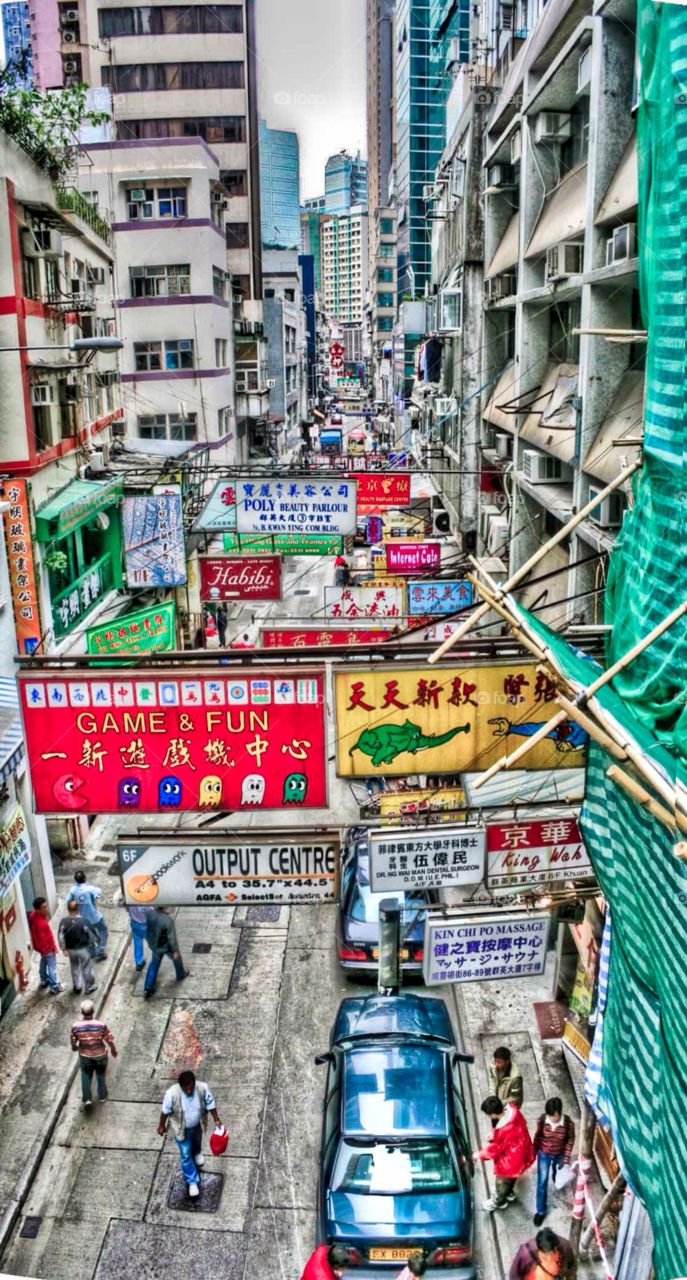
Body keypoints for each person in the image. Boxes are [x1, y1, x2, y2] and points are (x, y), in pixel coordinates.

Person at [158, 1069, 221, 1199]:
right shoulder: (172, 1093)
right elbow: (165, 1111)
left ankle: (197, 1153)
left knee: (197, 1142)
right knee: (186, 1155)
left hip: (197, 1125)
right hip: (182, 1130)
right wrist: (161, 1125)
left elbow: (210, 1104)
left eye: (190, 1088)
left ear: (194, 1083)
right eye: (185, 1088)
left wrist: (216, 1119)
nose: (188, 1091)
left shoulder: (202, 1088)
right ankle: (192, 1181)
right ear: (180, 1086)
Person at [474, 1094, 535, 1212]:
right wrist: (494, 1132)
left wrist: (478, 1155)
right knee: (513, 1178)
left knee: (501, 1182)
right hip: (522, 1154)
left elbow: (494, 1150)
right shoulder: (513, 1110)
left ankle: (498, 1201)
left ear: (493, 1114)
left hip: (510, 1161)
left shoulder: (504, 1130)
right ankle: (509, 1192)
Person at [533, 1097, 576, 1225]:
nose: (553, 1119)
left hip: (560, 1154)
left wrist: (567, 1159)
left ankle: (555, 1174)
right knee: (542, 1182)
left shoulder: (568, 1124)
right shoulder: (542, 1120)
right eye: (550, 1116)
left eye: (555, 1116)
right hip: (544, 1154)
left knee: (557, 1174)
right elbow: (538, 1136)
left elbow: (570, 1140)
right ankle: (540, 1211)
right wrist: (533, 1151)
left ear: (560, 1113)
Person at [70, 997, 117, 1108]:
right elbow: (109, 1039)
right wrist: (113, 1049)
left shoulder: (75, 1027)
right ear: (93, 1011)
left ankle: (87, 1099)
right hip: (100, 1055)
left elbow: (73, 1041)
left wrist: (74, 1047)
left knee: (85, 1076)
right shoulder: (101, 1025)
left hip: (85, 1056)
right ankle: (102, 1096)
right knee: (100, 1076)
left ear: (81, 1012)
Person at [144, 906, 189, 998]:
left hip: (155, 946)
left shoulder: (149, 914)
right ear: (165, 907)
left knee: (154, 964)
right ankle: (180, 975)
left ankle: (147, 988)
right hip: (166, 946)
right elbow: (172, 939)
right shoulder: (168, 921)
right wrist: (175, 951)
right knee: (177, 959)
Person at [58, 899, 99, 994]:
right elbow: (92, 933)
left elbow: (61, 936)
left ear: (68, 909)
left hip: (71, 949)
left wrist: (63, 949)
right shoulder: (84, 921)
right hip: (83, 949)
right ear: (78, 908)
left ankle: (77, 986)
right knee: (86, 967)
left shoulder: (63, 922)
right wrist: (96, 942)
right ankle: (89, 987)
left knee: (74, 966)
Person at [66, 870, 108, 960]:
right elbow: (99, 892)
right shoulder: (90, 889)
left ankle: (93, 952)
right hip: (95, 917)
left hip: (83, 918)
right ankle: (100, 950)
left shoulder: (73, 890)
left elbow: (68, 900)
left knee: (89, 935)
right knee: (103, 931)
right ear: (85, 878)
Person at [28, 897, 64, 995]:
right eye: (44, 907)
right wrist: (54, 948)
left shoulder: (32, 916)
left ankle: (44, 979)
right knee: (52, 967)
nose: (47, 909)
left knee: (43, 962)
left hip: (39, 947)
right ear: (38, 909)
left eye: (46, 906)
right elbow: (47, 939)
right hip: (47, 948)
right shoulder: (42, 924)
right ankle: (54, 987)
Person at [509, 1228, 577, 1280]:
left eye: (549, 1255)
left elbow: (571, 1269)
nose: (547, 1259)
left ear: (555, 1248)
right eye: (544, 1256)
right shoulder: (526, 1252)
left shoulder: (565, 1248)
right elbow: (514, 1274)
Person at [126, 903, 152, 972]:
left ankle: (139, 963)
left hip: (134, 923)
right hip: (144, 925)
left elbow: (122, 904)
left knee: (137, 943)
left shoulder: (129, 900)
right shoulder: (144, 903)